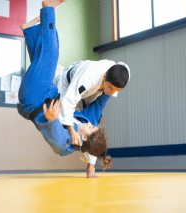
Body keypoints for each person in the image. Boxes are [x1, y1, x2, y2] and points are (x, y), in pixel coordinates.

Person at [17, 0, 113, 176]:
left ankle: (48, 7)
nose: (92, 124)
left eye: (91, 128)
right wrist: (112, 88)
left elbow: (55, 139)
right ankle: (29, 29)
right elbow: (100, 104)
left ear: (84, 137)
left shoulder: (66, 144)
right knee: (43, 59)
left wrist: (51, 119)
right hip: (47, 90)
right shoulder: (86, 120)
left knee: (51, 52)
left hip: (33, 97)